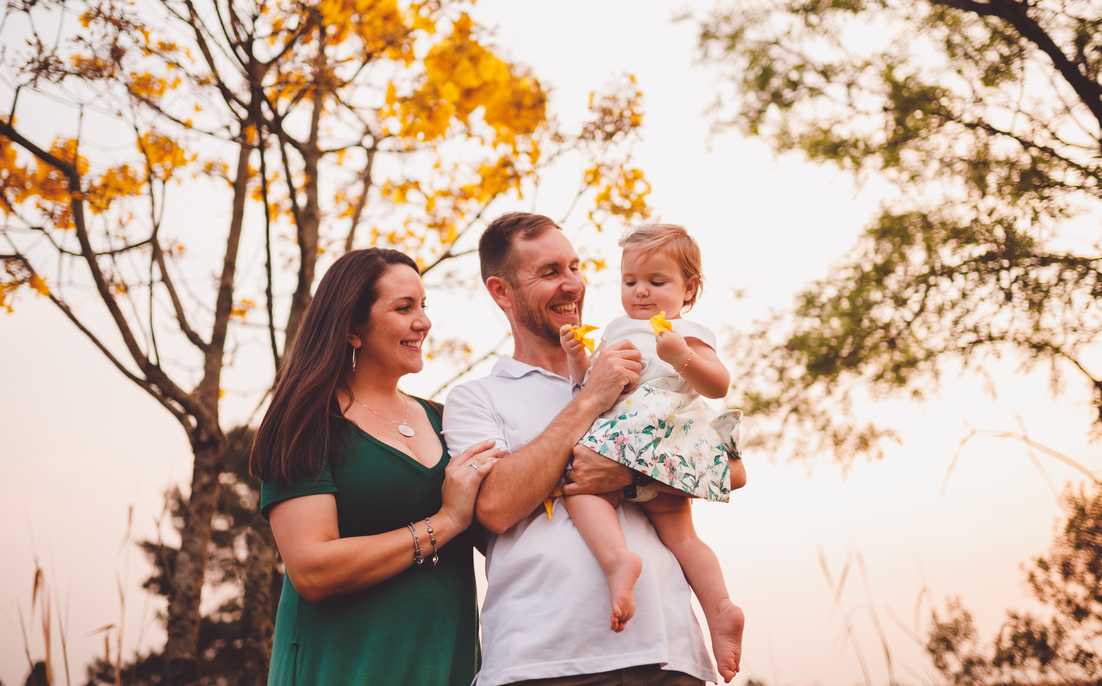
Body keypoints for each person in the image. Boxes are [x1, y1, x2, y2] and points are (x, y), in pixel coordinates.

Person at [442, 213, 746, 686]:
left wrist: (629, 476)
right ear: (501, 291)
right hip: (545, 659)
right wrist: (590, 397)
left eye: (575, 268)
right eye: (549, 273)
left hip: (669, 653)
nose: (572, 285)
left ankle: (720, 609)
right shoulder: (476, 398)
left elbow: (730, 470)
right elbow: (496, 508)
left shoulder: (637, 357)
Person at [249, 248, 504, 686]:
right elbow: (312, 569)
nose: (422, 322)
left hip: (445, 666)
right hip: (342, 669)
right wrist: (444, 522)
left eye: (423, 306)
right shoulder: (306, 423)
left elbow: (506, 523)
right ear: (352, 329)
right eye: (403, 308)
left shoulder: (448, 420)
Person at [561, 223, 745, 682]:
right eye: (630, 282)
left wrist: (681, 356)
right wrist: (577, 358)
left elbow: (719, 386)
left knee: (581, 491)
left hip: (657, 433)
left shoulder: (687, 331)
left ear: (689, 289)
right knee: (680, 537)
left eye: (656, 282)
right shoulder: (618, 328)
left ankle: (627, 565)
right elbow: (590, 385)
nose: (641, 292)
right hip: (636, 439)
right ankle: (713, 607)